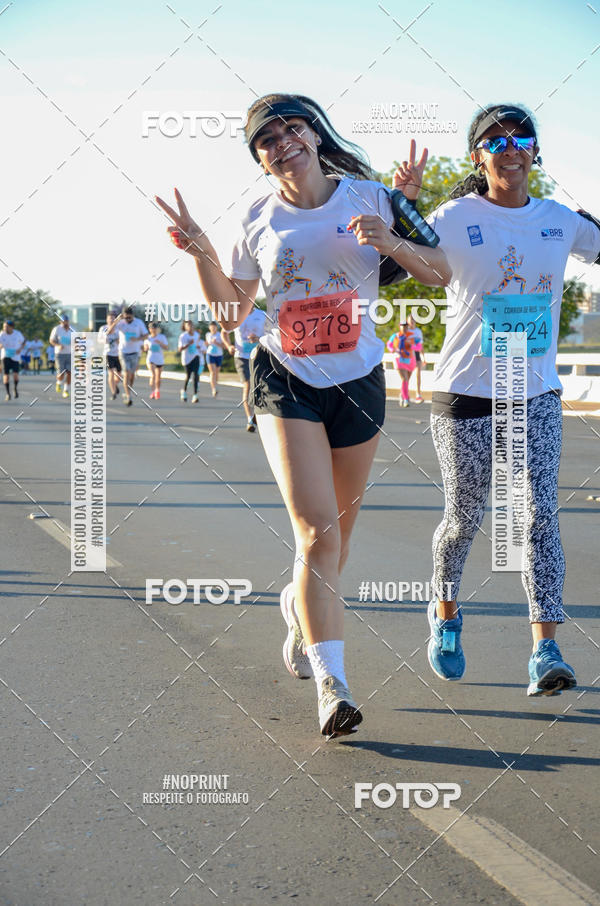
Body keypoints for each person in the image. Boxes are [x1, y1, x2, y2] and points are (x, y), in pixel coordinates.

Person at [156, 93, 450, 737]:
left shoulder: (373, 197)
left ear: (317, 135)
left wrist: (394, 239)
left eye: (293, 128)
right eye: (266, 139)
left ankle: (298, 606)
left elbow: (440, 273)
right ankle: (332, 686)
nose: (282, 141)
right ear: (260, 159)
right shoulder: (254, 216)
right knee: (317, 532)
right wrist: (203, 248)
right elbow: (231, 313)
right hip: (284, 378)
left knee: (336, 538)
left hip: (358, 380)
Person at [422, 104, 600, 696]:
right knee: (466, 518)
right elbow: (400, 263)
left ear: (534, 152)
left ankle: (545, 650)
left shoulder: (560, 221)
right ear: (479, 156)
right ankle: (445, 613)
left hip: (536, 394)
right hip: (466, 391)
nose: (510, 146)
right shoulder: (454, 215)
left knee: (538, 515)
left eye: (521, 137)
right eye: (494, 140)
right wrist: (401, 207)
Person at [223, 307, 267, 431]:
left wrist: (258, 339)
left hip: (259, 355)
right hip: (241, 356)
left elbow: (271, 334)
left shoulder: (263, 315)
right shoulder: (235, 315)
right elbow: (224, 332)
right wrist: (229, 346)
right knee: (247, 385)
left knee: (260, 386)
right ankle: (250, 419)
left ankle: (258, 416)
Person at [106, 306, 148, 406]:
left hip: (135, 352)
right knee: (126, 373)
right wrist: (116, 321)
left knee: (132, 375)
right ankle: (128, 396)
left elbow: (146, 335)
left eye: (129, 318)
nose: (128, 320)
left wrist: (137, 339)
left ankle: (127, 390)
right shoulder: (121, 323)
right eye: (126, 318)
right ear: (123, 316)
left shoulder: (139, 323)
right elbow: (108, 332)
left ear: (133, 316)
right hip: (123, 352)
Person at [386, 321, 416, 408]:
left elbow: (418, 346)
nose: (404, 328)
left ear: (408, 327)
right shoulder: (395, 336)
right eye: (402, 326)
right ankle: (406, 399)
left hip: (410, 359)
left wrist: (412, 347)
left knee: (406, 380)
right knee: (404, 379)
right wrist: (393, 350)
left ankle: (402, 394)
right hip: (399, 358)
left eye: (406, 326)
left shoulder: (412, 335)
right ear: (400, 327)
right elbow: (389, 344)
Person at [178, 319, 206, 403]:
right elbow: (180, 349)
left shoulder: (196, 335)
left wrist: (197, 347)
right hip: (187, 359)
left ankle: (195, 395)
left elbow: (197, 344)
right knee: (188, 376)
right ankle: (184, 391)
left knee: (196, 375)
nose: (190, 327)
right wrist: (188, 344)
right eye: (188, 325)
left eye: (191, 325)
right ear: (185, 327)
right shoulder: (183, 336)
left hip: (196, 356)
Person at [98, 311, 122, 400]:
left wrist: (119, 341)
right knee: (111, 373)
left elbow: (122, 339)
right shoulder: (103, 328)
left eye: (113, 318)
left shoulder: (119, 329)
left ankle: (115, 385)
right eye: (110, 318)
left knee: (119, 375)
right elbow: (100, 339)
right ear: (107, 319)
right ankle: (113, 393)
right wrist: (104, 341)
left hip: (118, 354)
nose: (111, 320)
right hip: (108, 354)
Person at [0, 319, 25, 401]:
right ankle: (8, 393)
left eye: (7, 327)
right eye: (4, 327)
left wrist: (20, 349)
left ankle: (15, 388)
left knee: (15, 375)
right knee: (6, 376)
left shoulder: (17, 334)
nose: (5, 328)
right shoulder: (2, 334)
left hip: (15, 356)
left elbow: (23, 342)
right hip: (5, 356)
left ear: (12, 327)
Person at [49, 313, 73, 398]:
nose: (65, 323)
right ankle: (59, 383)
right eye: (63, 322)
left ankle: (66, 390)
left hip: (70, 353)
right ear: (60, 322)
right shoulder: (57, 329)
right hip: (59, 354)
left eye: (66, 321)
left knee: (69, 373)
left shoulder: (72, 329)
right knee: (61, 373)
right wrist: (58, 345)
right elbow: (51, 340)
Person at [144, 322, 168, 399]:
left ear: (157, 329)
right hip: (151, 358)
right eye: (152, 328)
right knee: (153, 375)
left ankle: (157, 390)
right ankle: (153, 391)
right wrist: (146, 348)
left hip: (159, 359)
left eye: (155, 328)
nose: (153, 330)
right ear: (149, 329)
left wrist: (160, 343)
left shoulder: (162, 337)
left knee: (158, 377)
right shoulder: (148, 338)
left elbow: (166, 347)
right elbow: (145, 348)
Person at [407, 313, 425, 403]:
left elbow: (421, 345)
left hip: (417, 355)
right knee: (408, 376)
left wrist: (423, 358)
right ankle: (404, 393)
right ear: (407, 322)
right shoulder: (405, 331)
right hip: (409, 355)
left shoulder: (418, 331)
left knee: (418, 375)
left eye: (413, 321)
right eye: (410, 321)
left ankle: (418, 395)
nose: (412, 323)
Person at [205, 321, 224, 397]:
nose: (213, 328)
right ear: (209, 328)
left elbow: (224, 346)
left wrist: (216, 343)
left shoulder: (220, 335)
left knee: (216, 373)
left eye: (214, 327)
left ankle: (215, 385)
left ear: (217, 327)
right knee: (212, 372)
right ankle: (214, 389)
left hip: (219, 355)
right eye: (211, 327)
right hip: (210, 354)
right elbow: (206, 343)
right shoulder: (208, 335)